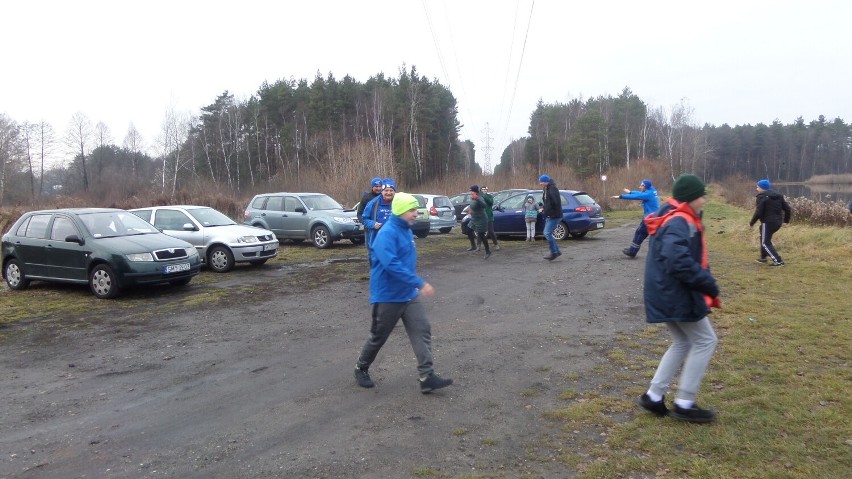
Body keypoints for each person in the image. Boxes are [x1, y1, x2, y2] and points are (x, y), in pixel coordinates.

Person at [638, 174, 721, 423]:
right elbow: (677, 260)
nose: (705, 198)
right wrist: (709, 284)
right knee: (706, 340)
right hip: (675, 295)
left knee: (683, 342)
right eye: (702, 194)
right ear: (691, 198)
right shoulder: (679, 221)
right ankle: (685, 402)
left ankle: (653, 396)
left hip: (666, 293)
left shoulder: (677, 217)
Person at [353, 192, 454, 394]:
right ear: (399, 211)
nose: (415, 214)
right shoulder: (386, 233)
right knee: (378, 336)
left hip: (408, 294)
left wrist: (413, 285)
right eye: (411, 210)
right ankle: (361, 367)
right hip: (387, 296)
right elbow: (392, 265)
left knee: (422, 329)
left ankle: (426, 376)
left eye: (416, 209)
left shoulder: (406, 229)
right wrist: (419, 282)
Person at [749, 179, 792, 266]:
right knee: (764, 237)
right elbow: (788, 209)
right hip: (777, 222)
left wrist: (752, 223)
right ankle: (763, 258)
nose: (756, 189)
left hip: (767, 223)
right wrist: (786, 221)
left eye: (757, 187)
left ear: (762, 188)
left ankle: (778, 261)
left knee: (765, 242)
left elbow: (758, 212)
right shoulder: (778, 196)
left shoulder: (761, 197)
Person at [612, 179, 659, 258]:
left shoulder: (647, 194)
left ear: (645, 186)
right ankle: (633, 251)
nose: (640, 187)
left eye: (641, 186)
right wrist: (630, 192)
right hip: (654, 216)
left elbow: (637, 196)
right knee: (644, 233)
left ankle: (632, 251)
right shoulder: (652, 189)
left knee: (640, 233)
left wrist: (621, 196)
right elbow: (639, 193)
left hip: (650, 217)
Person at [361, 178, 396, 263]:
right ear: (382, 191)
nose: (389, 193)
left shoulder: (398, 202)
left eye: (391, 190)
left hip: (394, 241)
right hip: (378, 241)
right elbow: (364, 218)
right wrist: (373, 224)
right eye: (386, 190)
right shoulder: (373, 203)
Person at [537, 174, 562, 261]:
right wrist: (544, 208)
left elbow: (555, 203)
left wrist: (548, 211)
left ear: (546, 181)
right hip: (549, 214)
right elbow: (548, 202)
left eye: (541, 182)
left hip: (554, 215)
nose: (540, 183)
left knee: (547, 233)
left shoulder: (552, 189)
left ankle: (554, 253)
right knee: (548, 233)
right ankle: (557, 251)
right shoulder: (547, 189)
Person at [466, 185, 491, 259]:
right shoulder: (472, 197)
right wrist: (470, 210)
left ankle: (488, 251)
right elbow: (472, 205)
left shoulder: (479, 197)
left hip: (481, 219)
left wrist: (477, 199)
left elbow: (484, 205)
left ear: (475, 191)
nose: (470, 192)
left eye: (471, 191)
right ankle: (473, 246)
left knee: (481, 235)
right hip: (474, 218)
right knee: (468, 230)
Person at [480, 186, 500, 250]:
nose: (484, 190)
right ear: (480, 190)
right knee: (480, 231)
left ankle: (496, 244)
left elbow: (491, 202)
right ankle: (478, 246)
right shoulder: (479, 197)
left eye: (485, 189)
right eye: (483, 189)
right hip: (481, 217)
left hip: (489, 216)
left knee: (491, 231)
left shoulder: (489, 196)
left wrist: (485, 196)